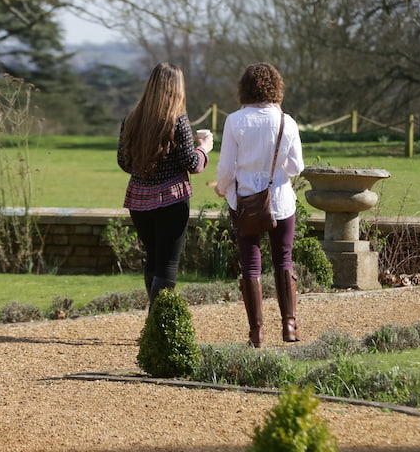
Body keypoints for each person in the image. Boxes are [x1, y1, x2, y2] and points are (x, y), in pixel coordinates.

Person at [215, 63, 305, 347]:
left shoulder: (235, 121)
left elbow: (227, 166)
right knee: (283, 260)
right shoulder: (286, 122)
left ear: (244, 88)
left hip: (244, 201)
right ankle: (289, 326)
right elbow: (296, 167)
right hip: (279, 200)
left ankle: (257, 333)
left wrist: (222, 187)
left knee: (251, 266)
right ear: (277, 87)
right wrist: (276, 168)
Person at [117, 62, 213, 310]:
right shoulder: (178, 120)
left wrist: (147, 167)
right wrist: (204, 148)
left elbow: (123, 162)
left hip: (138, 199)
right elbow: (192, 164)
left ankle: (154, 323)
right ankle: (157, 325)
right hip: (172, 198)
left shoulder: (131, 118)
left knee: (153, 260)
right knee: (168, 263)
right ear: (177, 88)